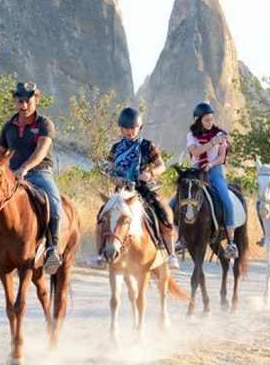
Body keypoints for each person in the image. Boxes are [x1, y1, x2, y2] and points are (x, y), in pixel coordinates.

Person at [0, 82, 63, 275]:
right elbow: (1, 153)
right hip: (11, 174)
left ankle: (52, 248)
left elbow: (41, 151)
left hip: (40, 173)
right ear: (15, 101)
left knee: (54, 202)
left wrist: (25, 168)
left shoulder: (45, 124)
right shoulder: (8, 127)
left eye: (28, 100)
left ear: (36, 99)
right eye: (20, 100)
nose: (24, 104)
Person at [87, 107, 179, 269]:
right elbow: (109, 168)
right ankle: (100, 255)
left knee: (161, 211)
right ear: (121, 128)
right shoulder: (115, 148)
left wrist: (150, 173)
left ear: (139, 127)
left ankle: (171, 255)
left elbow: (161, 166)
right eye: (126, 128)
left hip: (142, 189)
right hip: (121, 191)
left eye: (133, 127)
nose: (129, 131)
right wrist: (114, 176)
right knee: (102, 215)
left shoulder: (148, 146)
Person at [187, 102, 238, 259]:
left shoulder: (220, 133)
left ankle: (231, 242)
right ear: (199, 120)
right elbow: (195, 152)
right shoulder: (191, 135)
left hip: (214, 171)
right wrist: (212, 143)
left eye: (211, 119)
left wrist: (210, 164)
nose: (210, 123)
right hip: (196, 171)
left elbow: (221, 157)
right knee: (176, 201)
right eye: (206, 120)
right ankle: (182, 236)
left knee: (227, 202)